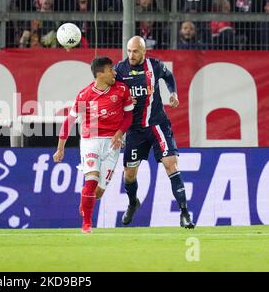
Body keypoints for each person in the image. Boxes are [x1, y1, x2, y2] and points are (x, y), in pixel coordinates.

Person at [114, 36, 195, 229]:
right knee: (129, 175)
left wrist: (173, 92)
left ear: (144, 52)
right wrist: (122, 103)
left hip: (158, 124)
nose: (131, 55)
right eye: (128, 51)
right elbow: (112, 95)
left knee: (171, 165)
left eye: (135, 51)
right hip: (134, 130)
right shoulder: (119, 70)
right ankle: (133, 203)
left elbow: (169, 76)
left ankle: (184, 213)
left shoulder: (155, 66)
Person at [53, 56, 134, 233]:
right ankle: (87, 224)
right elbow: (70, 121)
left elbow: (128, 116)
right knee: (91, 180)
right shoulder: (85, 95)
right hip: (91, 140)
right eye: (110, 69)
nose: (114, 72)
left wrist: (120, 133)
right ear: (100, 74)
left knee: (98, 192)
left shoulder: (121, 90)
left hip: (113, 143)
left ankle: (86, 201)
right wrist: (60, 148)